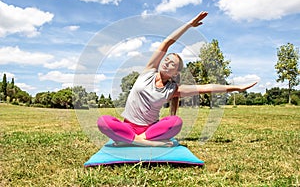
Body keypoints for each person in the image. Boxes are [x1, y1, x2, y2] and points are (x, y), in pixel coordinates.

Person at [97, 11, 257, 147]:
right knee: (103, 121)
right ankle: (141, 141)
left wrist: (237, 88)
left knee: (175, 122)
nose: (167, 61)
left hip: (150, 131)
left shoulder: (173, 90)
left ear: (175, 73)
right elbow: (167, 43)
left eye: (172, 63)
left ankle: (134, 140)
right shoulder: (148, 71)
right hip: (128, 126)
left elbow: (206, 87)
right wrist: (189, 25)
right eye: (166, 59)